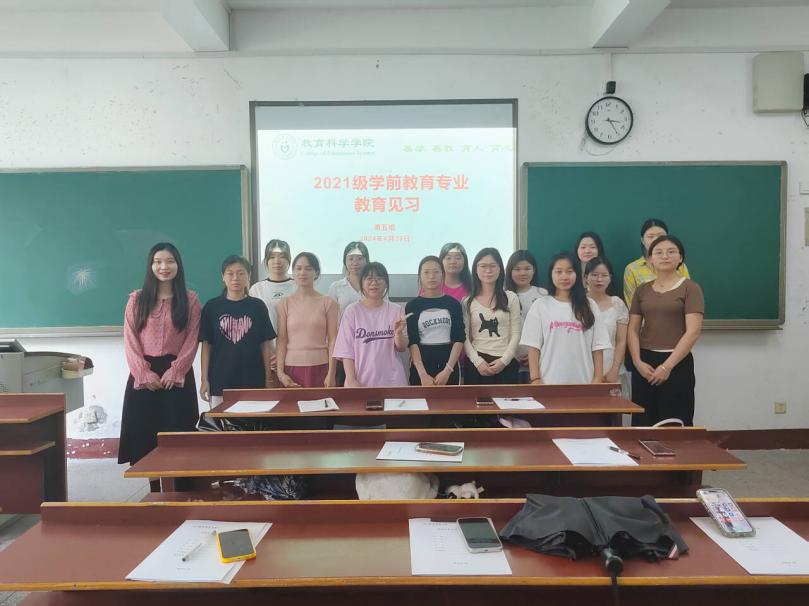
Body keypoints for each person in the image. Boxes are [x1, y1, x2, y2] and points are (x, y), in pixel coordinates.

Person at [119, 243, 200, 467]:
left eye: (170, 261)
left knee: (179, 439)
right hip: (144, 376)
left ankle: (180, 486)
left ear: (178, 265)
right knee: (145, 439)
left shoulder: (190, 300)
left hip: (178, 376)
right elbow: (130, 339)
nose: (164, 267)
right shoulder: (137, 300)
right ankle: (155, 486)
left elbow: (192, 339)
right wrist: (143, 373)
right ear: (151, 265)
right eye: (158, 262)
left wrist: (176, 371)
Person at [628, 235, 703, 426]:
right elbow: (633, 329)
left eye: (671, 252)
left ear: (680, 258)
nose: (665, 256)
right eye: (658, 252)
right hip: (645, 364)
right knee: (643, 423)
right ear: (650, 259)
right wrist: (637, 362)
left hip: (676, 363)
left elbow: (693, 332)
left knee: (674, 423)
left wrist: (666, 367)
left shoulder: (690, 288)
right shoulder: (642, 290)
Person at [520, 252, 610, 385]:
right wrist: (535, 378)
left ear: (577, 274)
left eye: (569, 271)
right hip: (548, 382)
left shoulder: (590, 305)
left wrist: (597, 379)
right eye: (558, 272)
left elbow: (598, 347)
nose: (564, 276)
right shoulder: (540, 305)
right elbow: (533, 347)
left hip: (585, 382)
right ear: (551, 274)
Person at [199, 255, 276, 407]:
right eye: (230, 273)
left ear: (249, 276)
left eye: (241, 273)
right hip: (220, 380)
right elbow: (206, 347)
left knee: (253, 420)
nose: (235, 278)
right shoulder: (212, 307)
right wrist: (204, 379)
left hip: (253, 379)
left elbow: (265, 345)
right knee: (222, 421)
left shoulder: (258, 306)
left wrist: (268, 378)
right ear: (223, 277)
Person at [333, 262, 409, 387]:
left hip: (393, 382)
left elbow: (401, 348)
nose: (374, 283)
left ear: (386, 283)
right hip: (361, 382)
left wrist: (398, 333)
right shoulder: (352, 311)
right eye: (369, 278)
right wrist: (351, 379)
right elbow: (346, 350)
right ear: (361, 283)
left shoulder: (396, 310)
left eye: (379, 278)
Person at [275, 252, 338, 388]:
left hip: (321, 368)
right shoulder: (284, 304)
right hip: (291, 370)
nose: (302, 273)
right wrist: (280, 373)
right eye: (298, 268)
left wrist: (332, 373)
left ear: (316, 273)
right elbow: (282, 340)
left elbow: (333, 340)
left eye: (308, 269)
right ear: (293, 272)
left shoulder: (328, 303)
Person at [462, 248, 521, 385]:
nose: (488, 270)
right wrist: (477, 361)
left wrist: (504, 361)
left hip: (506, 363)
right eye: (483, 266)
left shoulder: (511, 298)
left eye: (493, 266)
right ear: (475, 270)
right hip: (477, 364)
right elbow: (464, 336)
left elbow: (516, 334)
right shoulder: (467, 302)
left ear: (500, 269)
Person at [406, 256, 465, 386]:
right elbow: (412, 342)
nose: (431, 276)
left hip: (448, 365)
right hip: (421, 367)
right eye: (426, 272)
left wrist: (448, 370)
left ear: (442, 275)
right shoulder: (412, 305)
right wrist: (422, 374)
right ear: (420, 276)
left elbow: (459, 338)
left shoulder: (453, 304)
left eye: (436, 272)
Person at [584, 257, 629, 393]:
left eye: (604, 275)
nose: (599, 279)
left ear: (610, 278)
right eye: (594, 275)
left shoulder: (617, 303)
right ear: (586, 278)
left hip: (611, 369)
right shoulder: (577, 304)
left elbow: (621, 340)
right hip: (583, 368)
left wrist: (615, 369)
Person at [623, 219, 691, 306]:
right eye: (650, 236)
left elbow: (689, 297)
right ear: (642, 241)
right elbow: (632, 305)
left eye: (661, 236)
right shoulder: (632, 269)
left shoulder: (679, 265)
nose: (656, 240)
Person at [505, 250, 548, 383]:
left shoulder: (543, 294)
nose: (522, 273)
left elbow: (548, 329)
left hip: (539, 361)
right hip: (508, 360)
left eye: (527, 268)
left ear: (534, 270)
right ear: (509, 271)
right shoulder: (503, 296)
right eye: (517, 269)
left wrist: (535, 356)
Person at [249, 239, 295, 332]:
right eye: (272, 257)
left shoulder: (298, 286)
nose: (277, 261)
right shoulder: (257, 289)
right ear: (266, 260)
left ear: (289, 260)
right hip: (266, 340)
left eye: (282, 257)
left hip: (295, 340)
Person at [328, 241, 370, 321]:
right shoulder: (336, 287)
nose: (355, 263)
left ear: (367, 261)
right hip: (343, 329)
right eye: (351, 259)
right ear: (345, 261)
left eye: (360, 259)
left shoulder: (376, 286)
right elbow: (331, 318)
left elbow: (384, 311)